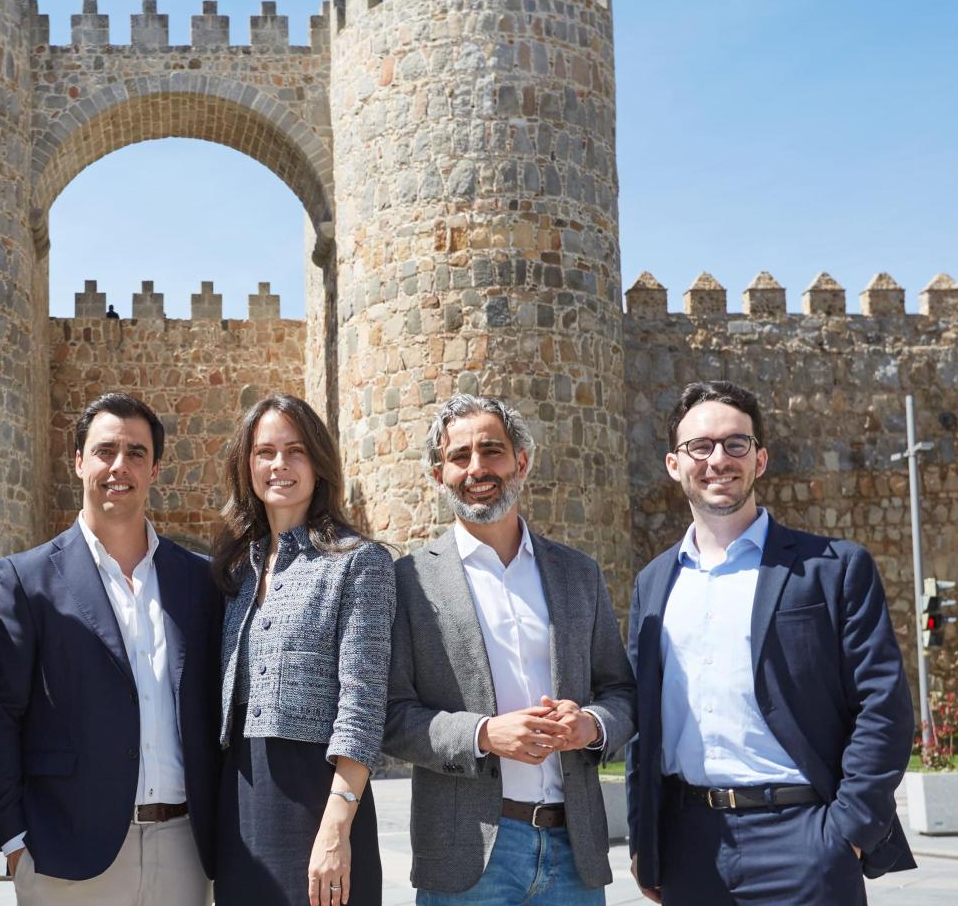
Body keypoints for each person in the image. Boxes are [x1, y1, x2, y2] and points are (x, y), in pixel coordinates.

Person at [627, 381, 916, 904]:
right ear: (674, 464)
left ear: (759, 460)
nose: (718, 459)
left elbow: (883, 706)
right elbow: (643, 723)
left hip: (805, 840)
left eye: (735, 444)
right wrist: (645, 840)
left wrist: (847, 833)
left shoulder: (832, 568)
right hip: (690, 845)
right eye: (700, 446)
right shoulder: (653, 583)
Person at [384, 394, 635, 904]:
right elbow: (390, 715)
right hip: (468, 857)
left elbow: (622, 692)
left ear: (521, 462)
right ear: (439, 476)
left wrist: (591, 725)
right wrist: (483, 734)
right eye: (459, 456)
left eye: (492, 450)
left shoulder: (578, 574)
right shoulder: (408, 581)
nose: (477, 468)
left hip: (574, 854)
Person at [0, 392, 222, 905]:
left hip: (183, 851)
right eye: (105, 451)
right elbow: (1, 714)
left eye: (136, 453)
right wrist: (13, 840)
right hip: (66, 856)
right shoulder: (26, 580)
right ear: (78, 461)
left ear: (154, 469)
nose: (120, 466)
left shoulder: (199, 581)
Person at [212, 394, 396, 906]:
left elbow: (362, 706)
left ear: (318, 463)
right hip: (242, 807)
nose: (280, 465)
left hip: (321, 806)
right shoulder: (235, 571)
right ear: (246, 465)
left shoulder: (359, 563)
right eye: (265, 452)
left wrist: (335, 827)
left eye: (295, 451)